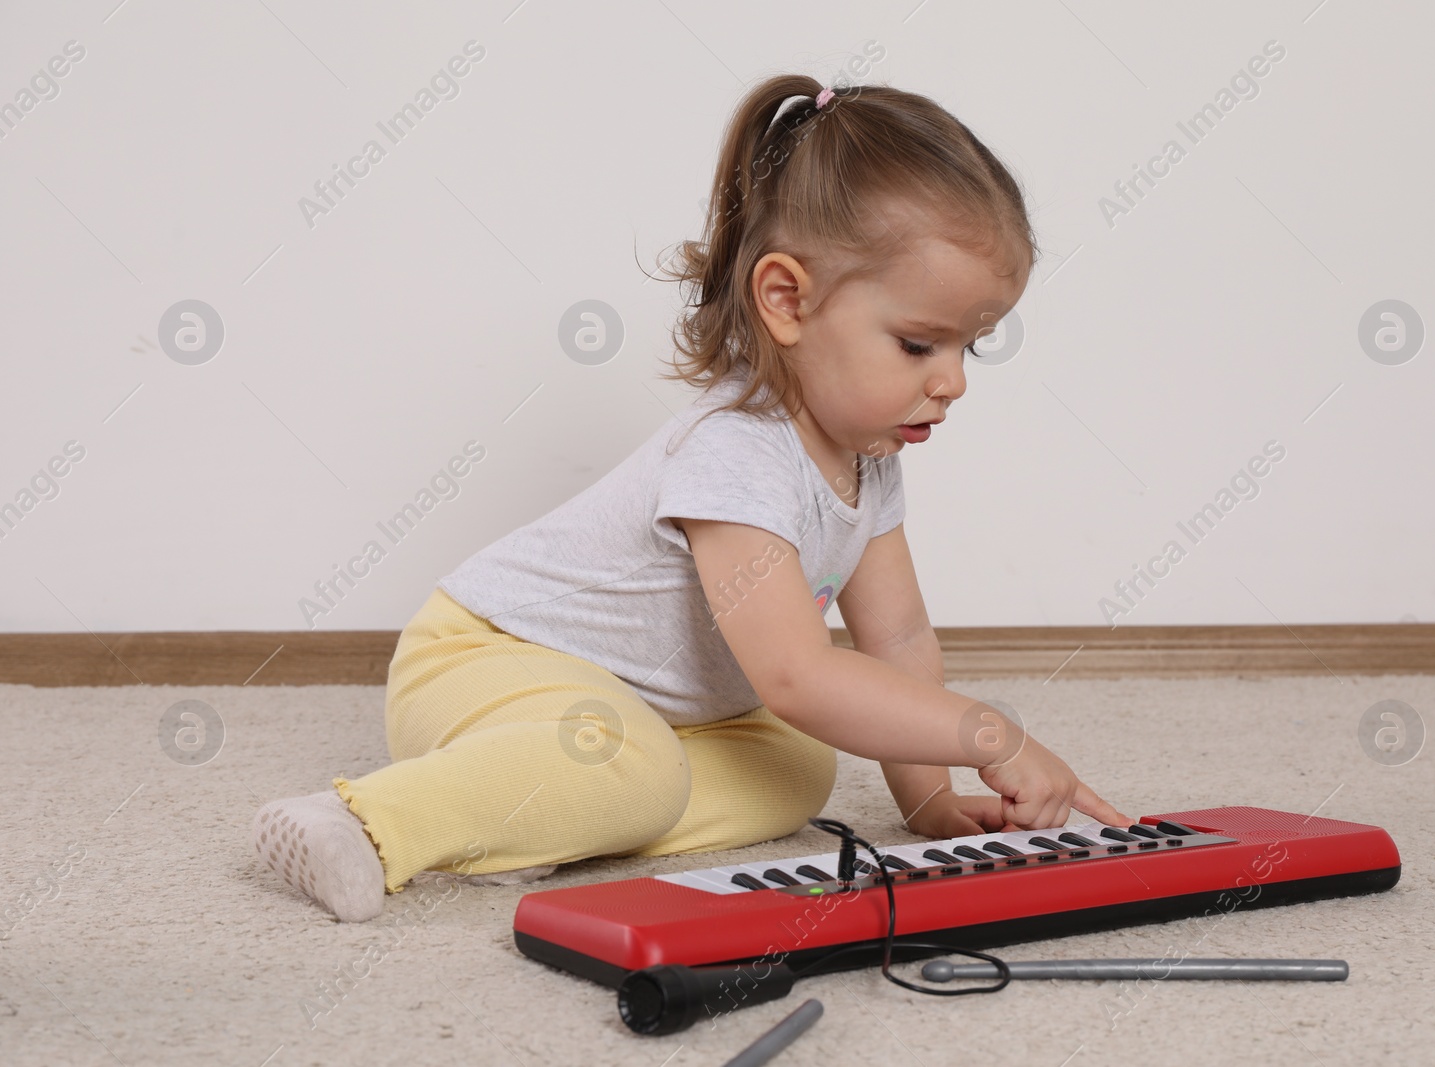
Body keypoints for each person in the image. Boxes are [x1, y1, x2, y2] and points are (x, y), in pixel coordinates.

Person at [253, 73, 1132, 923]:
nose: (953, 381)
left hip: (621, 704)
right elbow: (795, 672)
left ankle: (536, 812)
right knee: (645, 766)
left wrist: (933, 798)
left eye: (969, 348)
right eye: (918, 344)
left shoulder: (869, 460)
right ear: (787, 300)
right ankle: (368, 820)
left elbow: (896, 639)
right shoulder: (737, 451)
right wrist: (989, 735)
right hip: (481, 658)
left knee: (797, 768)